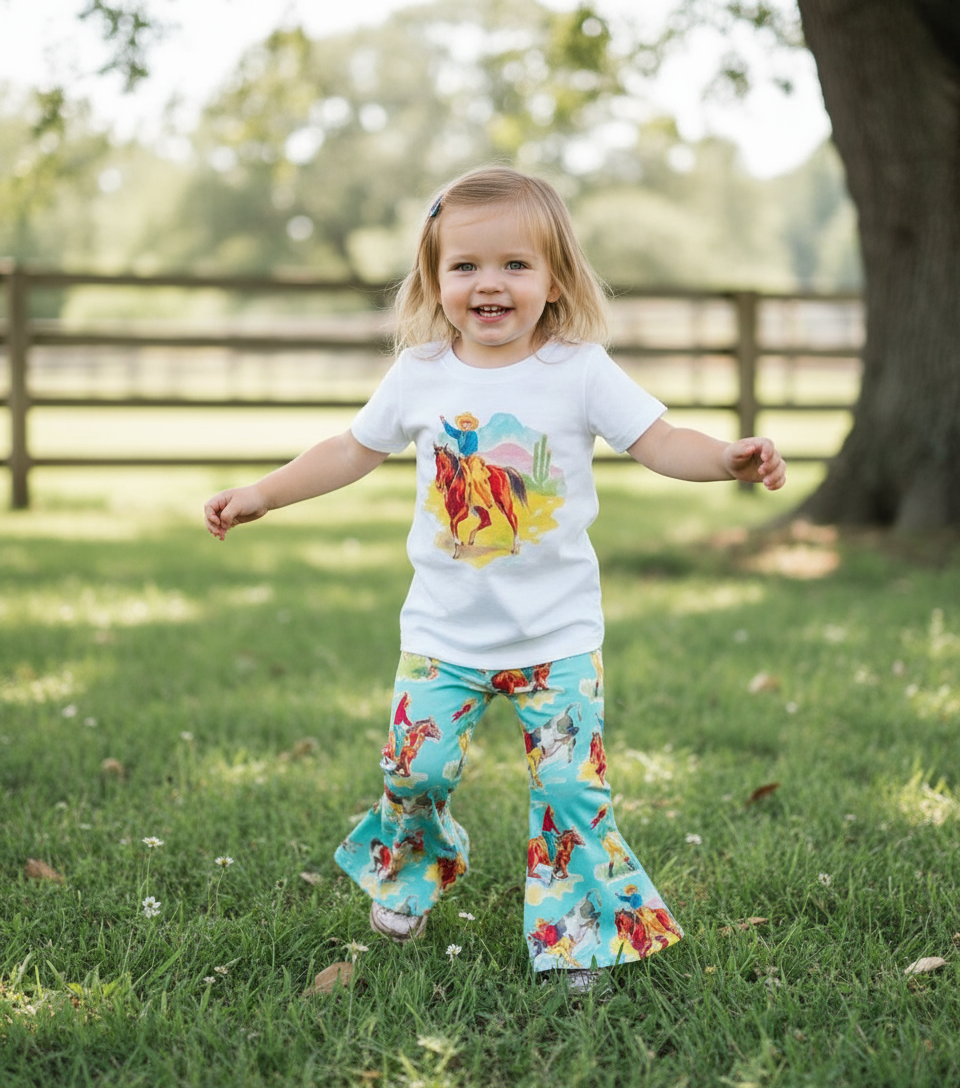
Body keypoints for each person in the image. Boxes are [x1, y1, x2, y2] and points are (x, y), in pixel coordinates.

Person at [204, 166, 786, 993]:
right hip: (444, 636)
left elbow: (659, 441)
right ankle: (414, 872)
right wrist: (262, 493)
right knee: (417, 771)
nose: (489, 284)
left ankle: (578, 937)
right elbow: (350, 449)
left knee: (570, 795)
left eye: (515, 265)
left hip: (557, 639)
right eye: (466, 266)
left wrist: (727, 458)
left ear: (555, 281)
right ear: (434, 280)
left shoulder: (581, 370)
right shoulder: (419, 372)